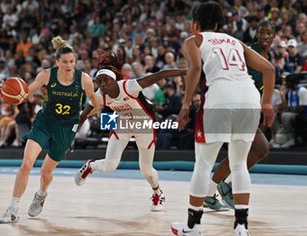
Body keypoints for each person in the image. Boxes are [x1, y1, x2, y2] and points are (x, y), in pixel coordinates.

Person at [171, 2, 275, 236]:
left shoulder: (193, 40)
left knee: (203, 164)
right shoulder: (234, 41)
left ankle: (192, 226)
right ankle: (241, 227)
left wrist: (186, 104)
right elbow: (269, 69)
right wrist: (267, 102)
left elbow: (195, 68)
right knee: (239, 164)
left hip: (220, 96)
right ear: (218, 25)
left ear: (195, 24)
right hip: (249, 97)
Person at [0, 36, 100, 223]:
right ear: (57, 61)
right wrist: (10, 95)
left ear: (75, 62)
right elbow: (26, 93)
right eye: (64, 62)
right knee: (27, 164)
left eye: (71, 62)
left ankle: (41, 194)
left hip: (66, 128)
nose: (68, 65)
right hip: (45, 122)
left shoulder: (84, 80)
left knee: (46, 172)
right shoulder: (46, 75)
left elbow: (93, 101)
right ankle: (12, 208)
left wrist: (91, 112)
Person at [74, 49, 187, 211]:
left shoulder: (130, 86)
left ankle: (157, 193)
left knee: (146, 170)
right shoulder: (100, 95)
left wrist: (186, 71)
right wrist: (71, 134)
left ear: (114, 80)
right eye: (99, 81)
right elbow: (83, 115)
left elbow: (161, 74)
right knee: (109, 166)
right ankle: (90, 166)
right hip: (123, 125)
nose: (103, 84)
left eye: (106, 80)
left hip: (144, 126)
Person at [204, 18, 276, 211]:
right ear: (256, 34)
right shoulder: (246, 52)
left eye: (268, 32)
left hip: (246, 107)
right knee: (259, 148)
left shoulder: (268, 57)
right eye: (261, 32)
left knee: (252, 151)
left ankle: (210, 193)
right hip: (232, 103)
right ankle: (224, 187)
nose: (264, 36)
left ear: (274, 36)